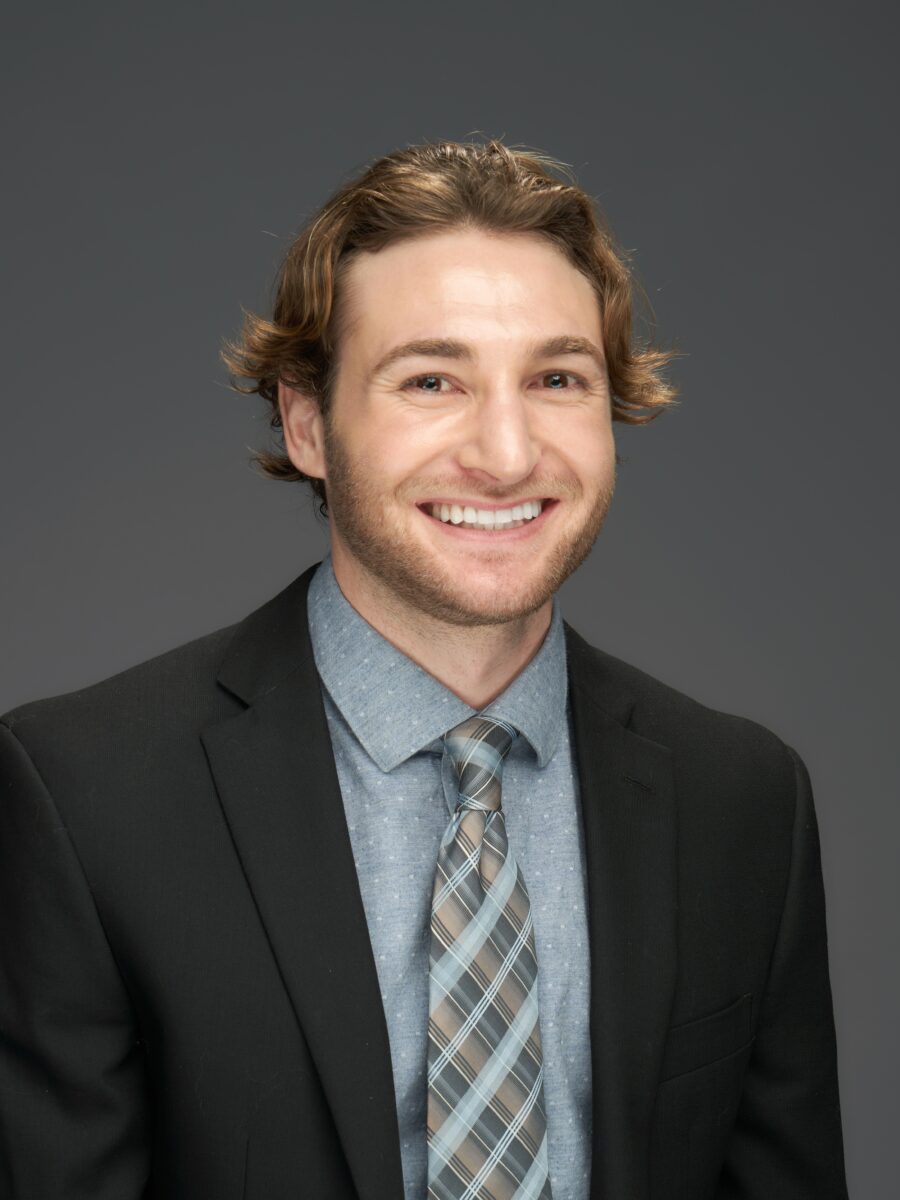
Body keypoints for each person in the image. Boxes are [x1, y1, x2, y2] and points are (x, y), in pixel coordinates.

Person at [0, 140, 849, 1200]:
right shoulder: (82, 793)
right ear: (308, 422)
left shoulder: (745, 800)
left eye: (555, 378)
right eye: (432, 379)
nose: (505, 452)